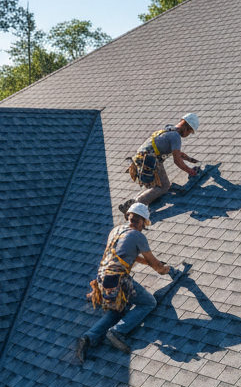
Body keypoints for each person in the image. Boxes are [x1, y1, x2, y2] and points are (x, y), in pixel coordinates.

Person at [76, 203, 173, 362]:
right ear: (142, 221)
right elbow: (158, 268)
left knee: (118, 310)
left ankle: (88, 337)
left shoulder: (116, 231)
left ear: (128, 217)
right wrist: (168, 269)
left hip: (102, 277)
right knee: (148, 302)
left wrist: (148, 262)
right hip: (118, 278)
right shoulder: (138, 235)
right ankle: (117, 332)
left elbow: (127, 255)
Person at [121, 114, 201, 212]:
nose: (188, 134)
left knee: (154, 187)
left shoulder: (169, 130)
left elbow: (178, 154)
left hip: (141, 159)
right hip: (150, 161)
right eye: (189, 132)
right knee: (164, 186)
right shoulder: (176, 136)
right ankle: (135, 207)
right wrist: (189, 171)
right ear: (186, 128)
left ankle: (134, 201)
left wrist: (192, 160)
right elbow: (177, 160)